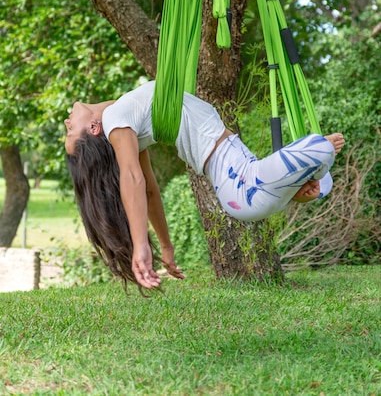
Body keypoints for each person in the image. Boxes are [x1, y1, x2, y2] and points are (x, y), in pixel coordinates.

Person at [65, 80, 344, 291]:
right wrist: (141, 244)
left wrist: (165, 245)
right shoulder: (115, 121)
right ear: (93, 129)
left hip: (239, 171)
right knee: (283, 171)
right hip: (237, 183)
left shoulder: (127, 117)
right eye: (69, 130)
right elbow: (134, 180)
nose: (66, 121)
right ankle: (316, 156)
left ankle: (300, 186)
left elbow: (150, 191)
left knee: (290, 181)